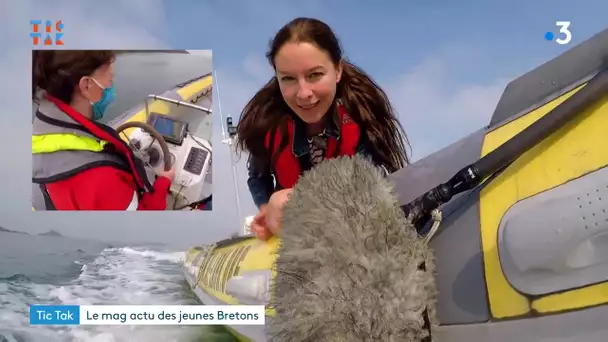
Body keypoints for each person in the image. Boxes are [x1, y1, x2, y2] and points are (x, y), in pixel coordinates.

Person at [235, 17, 410, 240]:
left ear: (337, 71)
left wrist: (298, 203)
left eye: (315, 75)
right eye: (288, 78)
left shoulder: (361, 117)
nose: (303, 93)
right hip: (292, 227)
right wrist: (267, 208)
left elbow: (366, 181)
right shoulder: (267, 125)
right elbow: (257, 177)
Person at [31, 50, 175, 210]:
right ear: (86, 85)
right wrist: (164, 182)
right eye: (110, 80)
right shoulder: (103, 179)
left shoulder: (42, 132)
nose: (111, 89)